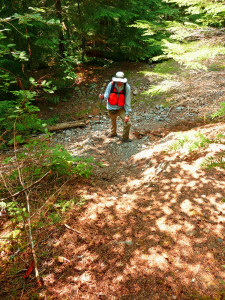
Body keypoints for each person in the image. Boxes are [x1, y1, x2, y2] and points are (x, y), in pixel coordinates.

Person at [99, 71, 132, 142]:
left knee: (128, 123)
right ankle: (113, 133)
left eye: (120, 81)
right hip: (111, 108)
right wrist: (102, 97)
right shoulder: (111, 85)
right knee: (113, 121)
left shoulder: (127, 87)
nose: (119, 82)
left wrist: (127, 114)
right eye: (117, 81)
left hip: (121, 108)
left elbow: (127, 101)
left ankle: (125, 138)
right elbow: (106, 95)